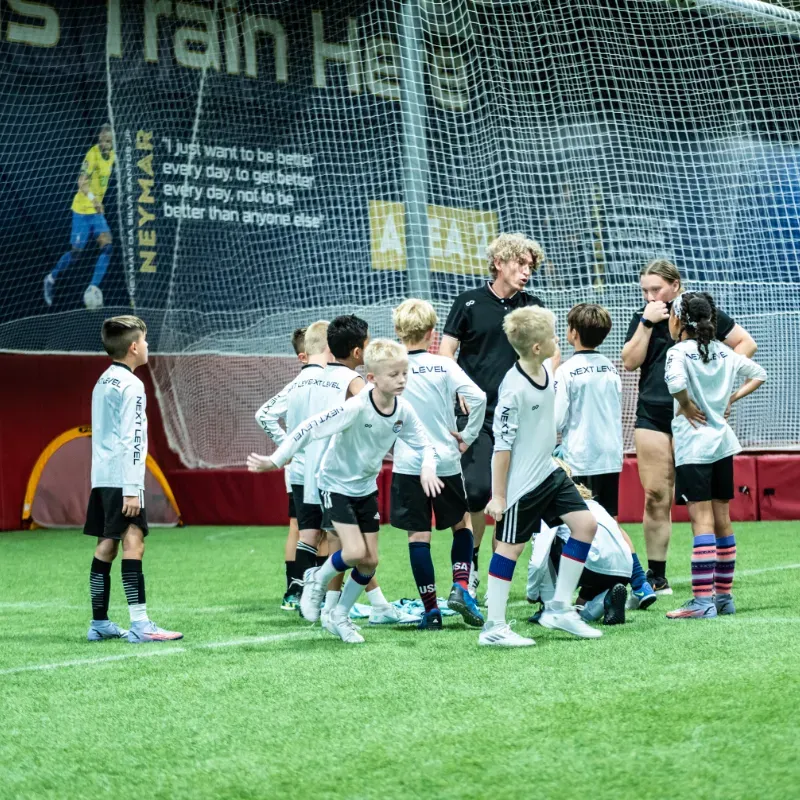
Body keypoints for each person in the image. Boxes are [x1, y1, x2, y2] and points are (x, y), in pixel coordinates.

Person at [247, 340, 441, 644]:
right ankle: (315, 579)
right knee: (352, 552)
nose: (402, 380)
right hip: (334, 485)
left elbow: (424, 444)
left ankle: (340, 615)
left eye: (405, 373)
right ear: (373, 378)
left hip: (366, 488)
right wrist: (276, 459)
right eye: (394, 375)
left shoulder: (403, 409)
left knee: (369, 561)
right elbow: (308, 427)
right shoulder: (356, 406)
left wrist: (428, 467)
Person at [621, 259, 757, 595]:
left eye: (657, 289)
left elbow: (746, 345)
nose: (651, 295)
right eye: (645, 290)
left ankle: (714, 582)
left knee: (708, 504)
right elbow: (629, 362)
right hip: (653, 415)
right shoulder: (646, 317)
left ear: (675, 286)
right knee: (656, 494)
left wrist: (726, 397)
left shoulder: (699, 312)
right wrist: (645, 322)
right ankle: (657, 575)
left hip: (697, 419)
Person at [482, 307, 601, 646]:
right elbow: (501, 447)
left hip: (550, 472)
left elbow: (547, 345)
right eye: (551, 336)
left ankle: (560, 610)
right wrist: (499, 495)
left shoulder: (547, 366)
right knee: (509, 550)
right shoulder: (512, 389)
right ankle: (493, 628)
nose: (557, 339)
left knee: (585, 526)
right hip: (522, 483)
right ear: (536, 348)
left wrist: (533, 319)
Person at [440, 233, 546, 598]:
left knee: (513, 498)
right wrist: (457, 390)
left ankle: (499, 577)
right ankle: (468, 571)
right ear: (499, 263)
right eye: (521, 263)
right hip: (476, 416)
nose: (527, 272)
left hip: (520, 416)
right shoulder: (468, 302)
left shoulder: (533, 307)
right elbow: (446, 351)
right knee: (479, 493)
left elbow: (551, 355)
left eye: (531, 266)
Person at [663, 292, 766, 619]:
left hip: (694, 448)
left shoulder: (678, 352)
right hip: (723, 444)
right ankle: (724, 598)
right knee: (723, 520)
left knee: (702, 522)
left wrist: (686, 403)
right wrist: (731, 397)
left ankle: (702, 602)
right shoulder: (724, 351)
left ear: (679, 320)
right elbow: (760, 373)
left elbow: (675, 382)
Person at [84, 316, 182, 643]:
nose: (149, 346)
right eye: (146, 341)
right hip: (121, 480)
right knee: (133, 543)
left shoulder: (103, 380)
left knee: (106, 545)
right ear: (134, 347)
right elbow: (133, 439)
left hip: (101, 477)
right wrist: (131, 489)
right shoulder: (132, 385)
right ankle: (140, 625)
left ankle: (99, 622)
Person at [391, 298, 487, 630]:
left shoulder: (393, 368)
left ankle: (431, 611)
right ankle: (461, 586)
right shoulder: (443, 365)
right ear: (433, 333)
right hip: (445, 459)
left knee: (419, 536)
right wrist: (468, 435)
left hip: (408, 464)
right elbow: (479, 398)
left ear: (397, 331)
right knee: (462, 524)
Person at [553, 305, 655, 610]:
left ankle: (578, 593)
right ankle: (639, 580)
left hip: (579, 458)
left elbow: (558, 421)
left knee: (576, 527)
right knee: (610, 523)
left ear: (572, 333)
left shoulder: (567, 371)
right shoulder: (611, 368)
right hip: (610, 456)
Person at [526, 464, 656, 625]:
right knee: (580, 607)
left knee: (549, 546)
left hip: (592, 566)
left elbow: (538, 562)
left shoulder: (551, 504)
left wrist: (532, 594)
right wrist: (637, 578)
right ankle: (604, 600)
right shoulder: (593, 504)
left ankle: (549, 607)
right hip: (623, 570)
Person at [256, 324, 319, 611]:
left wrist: (286, 448)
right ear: (303, 356)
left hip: (300, 467)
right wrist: (287, 449)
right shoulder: (307, 383)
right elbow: (264, 414)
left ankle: (296, 589)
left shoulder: (309, 384)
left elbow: (265, 415)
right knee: (317, 529)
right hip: (310, 467)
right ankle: (308, 589)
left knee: (300, 526)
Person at [45, 124, 116, 310]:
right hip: (82, 211)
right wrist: (94, 199)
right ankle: (51, 278)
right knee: (76, 253)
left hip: (96, 213)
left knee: (107, 246)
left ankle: (92, 287)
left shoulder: (113, 156)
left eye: (108, 141)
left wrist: (98, 204)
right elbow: (81, 181)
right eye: (102, 140)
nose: (104, 144)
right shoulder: (92, 155)